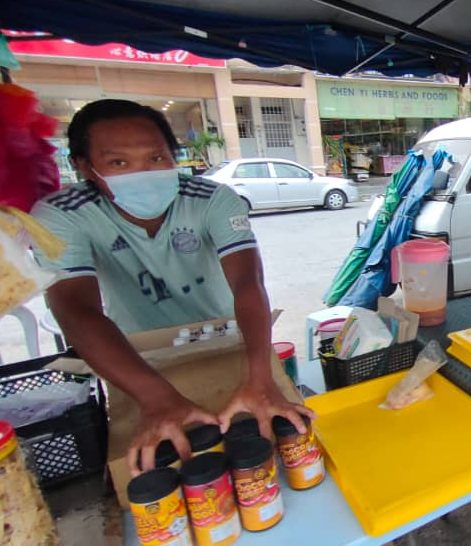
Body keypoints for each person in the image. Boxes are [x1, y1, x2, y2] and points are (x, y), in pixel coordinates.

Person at [31, 99, 313, 474]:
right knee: (164, 473)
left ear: (173, 156)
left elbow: (248, 282)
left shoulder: (212, 199)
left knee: (272, 457)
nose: (143, 173)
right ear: (84, 166)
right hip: (134, 361)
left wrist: (260, 376)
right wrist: (155, 397)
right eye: (119, 163)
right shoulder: (61, 215)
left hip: (233, 344)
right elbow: (75, 309)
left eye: (156, 158)